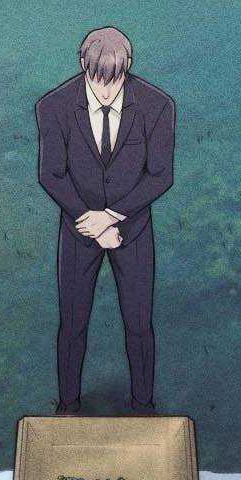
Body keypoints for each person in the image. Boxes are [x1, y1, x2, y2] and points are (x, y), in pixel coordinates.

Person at [36, 26, 175, 414]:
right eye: (99, 81)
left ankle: (143, 405)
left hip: (133, 231)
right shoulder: (53, 106)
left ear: (127, 67)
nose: (107, 91)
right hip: (78, 231)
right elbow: (51, 174)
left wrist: (111, 217)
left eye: (115, 80)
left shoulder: (158, 105)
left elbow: (160, 175)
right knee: (72, 323)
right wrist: (90, 221)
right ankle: (67, 405)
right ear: (84, 66)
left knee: (139, 324)